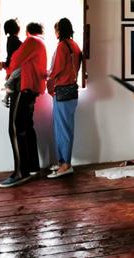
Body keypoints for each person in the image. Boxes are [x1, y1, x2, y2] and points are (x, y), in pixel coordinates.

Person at [0, 22, 47, 188]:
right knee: (27, 127)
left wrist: (6, 68)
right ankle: (32, 167)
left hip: (23, 88)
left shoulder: (31, 41)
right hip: (32, 90)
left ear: (27, 31)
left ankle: (21, 172)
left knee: (14, 128)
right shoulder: (41, 43)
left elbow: (15, 60)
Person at [46, 18, 82, 179]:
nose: (55, 33)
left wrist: (48, 84)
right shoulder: (75, 45)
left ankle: (66, 165)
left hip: (62, 93)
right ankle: (63, 162)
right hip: (72, 92)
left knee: (62, 130)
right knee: (66, 129)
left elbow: (56, 70)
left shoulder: (62, 46)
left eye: (56, 30)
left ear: (59, 30)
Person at [0, 19, 23, 108]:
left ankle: (6, 98)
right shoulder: (15, 41)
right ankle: (6, 94)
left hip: (12, 68)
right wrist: (6, 64)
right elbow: (11, 55)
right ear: (16, 29)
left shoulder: (10, 40)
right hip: (15, 69)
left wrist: (6, 64)